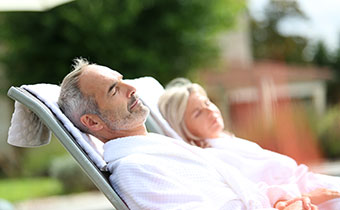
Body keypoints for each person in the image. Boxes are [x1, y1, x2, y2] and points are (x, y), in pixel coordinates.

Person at [58, 58, 316, 210]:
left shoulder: (157, 147)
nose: (131, 87)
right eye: (114, 90)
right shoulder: (134, 170)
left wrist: (285, 199)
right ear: (92, 121)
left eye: (122, 79)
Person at [158, 78, 340, 209]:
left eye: (208, 102)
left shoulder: (228, 140)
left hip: (315, 185)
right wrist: (307, 196)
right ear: (183, 127)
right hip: (305, 199)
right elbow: (253, 194)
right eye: (197, 113)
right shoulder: (212, 157)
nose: (209, 110)